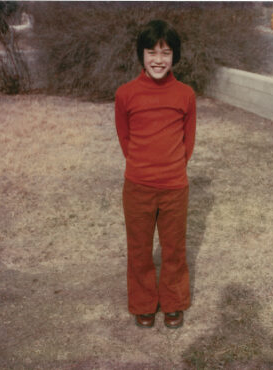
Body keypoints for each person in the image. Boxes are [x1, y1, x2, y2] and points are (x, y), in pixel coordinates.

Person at [114, 19, 196, 329]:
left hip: (175, 187)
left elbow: (188, 141)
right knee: (139, 249)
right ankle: (144, 303)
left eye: (165, 52)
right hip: (137, 187)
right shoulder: (126, 94)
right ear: (141, 55)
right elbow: (125, 139)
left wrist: (172, 167)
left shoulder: (185, 94)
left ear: (174, 56)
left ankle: (173, 303)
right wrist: (142, 166)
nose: (158, 59)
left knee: (174, 248)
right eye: (151, 52)